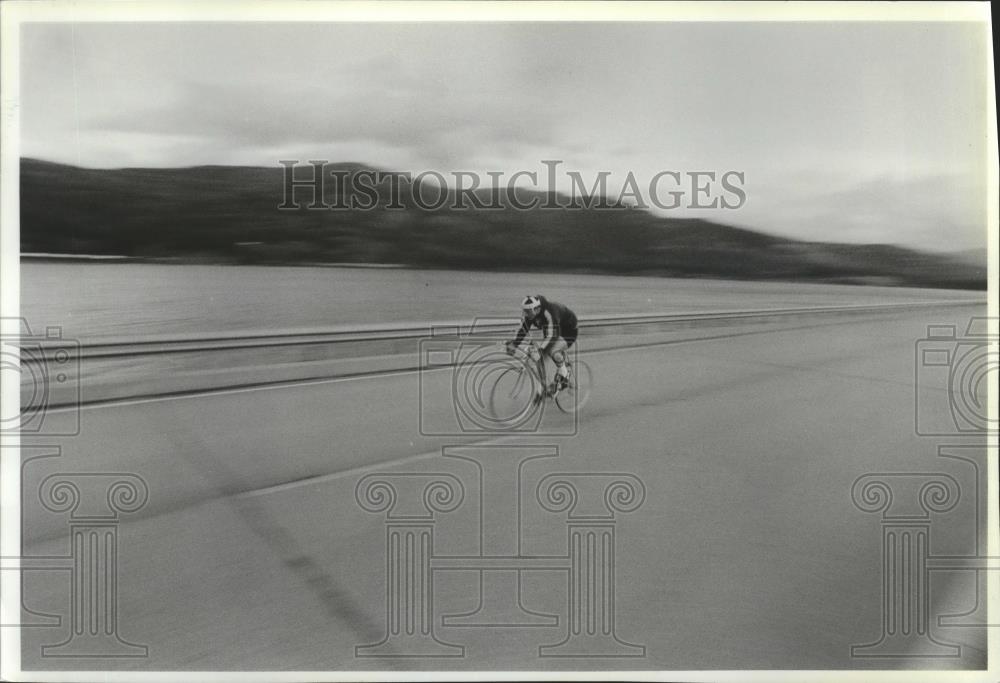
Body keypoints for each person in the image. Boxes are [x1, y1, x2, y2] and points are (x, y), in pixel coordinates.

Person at [506, 295, 578, 394]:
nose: (526, 314)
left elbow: (553, 336)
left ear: (537, 309)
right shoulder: (532, 313)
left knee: (552, 351)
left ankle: (564, 374)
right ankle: (546, 386)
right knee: (540, 355)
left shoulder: (549, 313)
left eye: (528, 312)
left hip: (568, 331)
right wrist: (515, 344)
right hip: (553, 328)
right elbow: (524, 329)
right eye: (524, 311)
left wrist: (541, 350)